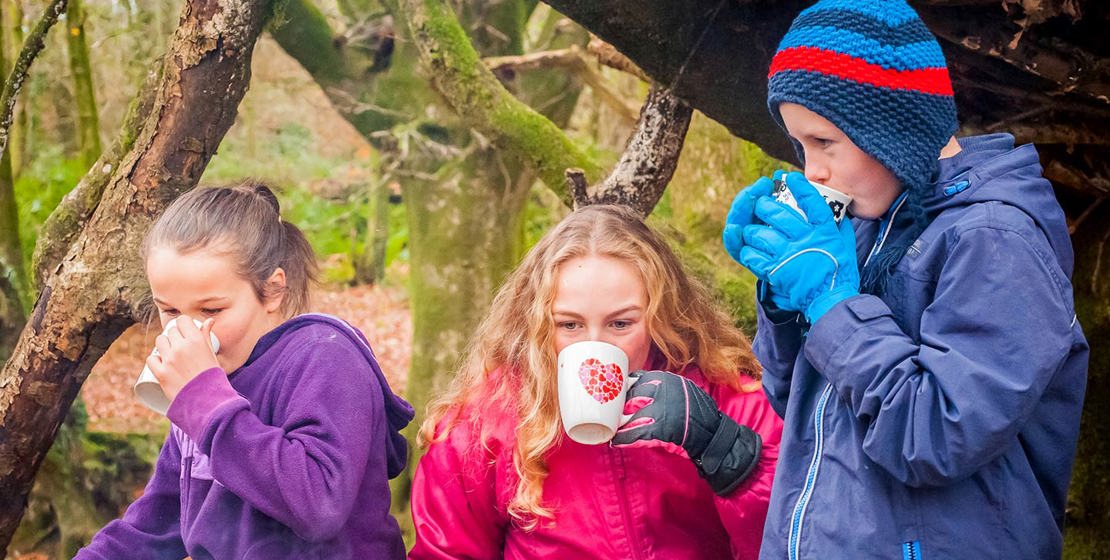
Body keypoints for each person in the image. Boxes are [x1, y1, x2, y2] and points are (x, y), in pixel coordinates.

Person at [721, 0, 1089, 558]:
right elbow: (798, 404)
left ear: (891, 129)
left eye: (825, 143)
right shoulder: (867, 219)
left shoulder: (995, 241)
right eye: (799, 145)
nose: (811, 171)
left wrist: (830, 304)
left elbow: (935, 434)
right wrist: (788, 300)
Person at [408, 204, 782, 559]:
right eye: (569, 325)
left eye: (621, 324)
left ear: (661, 315)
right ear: (537, 323)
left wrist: (727, 454)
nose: (594, 346)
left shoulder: (723, 393)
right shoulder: (485, 422)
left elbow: (794, 540)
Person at [76, 183, 413, 560]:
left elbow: (319, 506)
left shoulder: (324, 359)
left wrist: (206, 404)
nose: (189, 331)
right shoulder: (205, 388)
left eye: (211, 311)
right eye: (170, 311)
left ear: (272, 292)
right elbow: (155, 525)